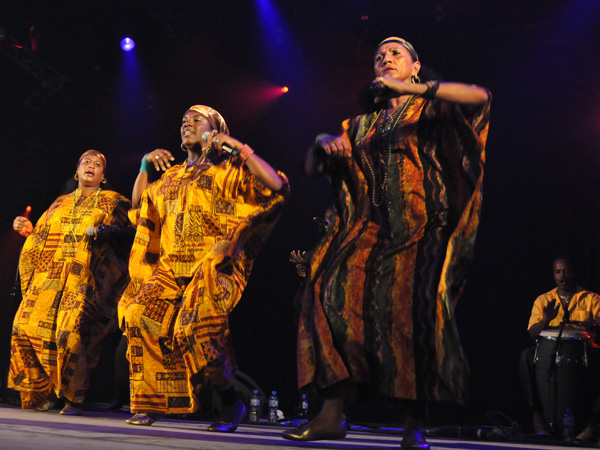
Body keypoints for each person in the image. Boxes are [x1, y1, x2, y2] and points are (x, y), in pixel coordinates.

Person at [282, 36, 491, 449]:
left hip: (423, 230)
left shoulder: (432, 108)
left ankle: (415, 425)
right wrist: (323, 139)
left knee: (412, 316)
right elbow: (310, 168)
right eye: (379, 56)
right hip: (368, 229)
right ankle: (331, 413)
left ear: (415, 67)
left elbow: (480, 97)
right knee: (326, 291)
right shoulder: (361, 124)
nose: (385, 59)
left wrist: (411, 90)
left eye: (395, 53)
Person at [119, 105, 289, 431]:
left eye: (197, 120)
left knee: (194, 329)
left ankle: (229, 399)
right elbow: (140, 207)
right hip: (170, 267)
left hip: (213, 264)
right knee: (139, 314)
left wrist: (237, 145)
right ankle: (154, 401)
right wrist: (143, 165)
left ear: (215, 129)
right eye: (184, 120)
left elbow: (275, 186)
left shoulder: (230, 169)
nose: (187, 124)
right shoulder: (172, 176)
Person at [9, 150, 132, 415]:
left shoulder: (114, 202)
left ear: (103, 176)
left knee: (69, 335)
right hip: (49, 278)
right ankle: (45, 391)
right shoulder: (59, 203)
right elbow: (40, 236)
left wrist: (108, 231)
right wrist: (27, 229)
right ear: (76, 172)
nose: (91, 166)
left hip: (85, 282)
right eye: (86, 162)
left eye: (97, 164)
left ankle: (74, 397)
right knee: (22, 327)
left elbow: (137, 232)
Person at [519, 257, 600, 440]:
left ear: (575, 273)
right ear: (553, 275)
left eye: (566, 271)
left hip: (584, 350)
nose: (562, 276)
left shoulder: (591, 299)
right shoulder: (544, 300)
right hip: (550, 350)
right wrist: (546, 320)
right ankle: (538, 420)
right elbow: (532, 334)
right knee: (526, 357)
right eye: (558, 272)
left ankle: (593, 424)